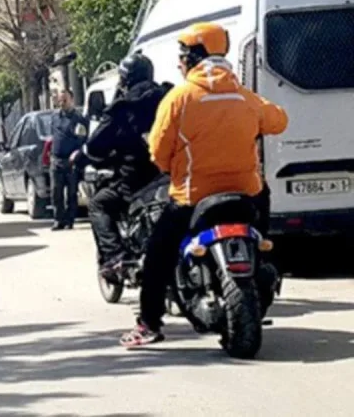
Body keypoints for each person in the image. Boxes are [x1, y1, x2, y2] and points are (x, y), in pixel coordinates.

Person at [120, 23, 288, 347]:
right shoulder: (244, 96)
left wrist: (174, 168)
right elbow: (279, 120)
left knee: (157, 255)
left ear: (192, 58)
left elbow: (157, 151)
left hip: (192, 198)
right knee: (264, 233)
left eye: (182, 58)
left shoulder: (180, 98)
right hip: (246, 195)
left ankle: (149, 323)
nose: (180, 64)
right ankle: (260, 265)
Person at [87, 53, 172, 275]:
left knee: (98, 204)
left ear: (125, 79)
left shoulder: (122, 108)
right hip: (172, 175)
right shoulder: (169, 96)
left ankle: (115, 257)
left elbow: (96, 145)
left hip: (134, 180)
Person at [49, 89, 89, 231]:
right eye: (60, 100)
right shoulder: (55, 117)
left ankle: (69, 221)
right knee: (56, 192)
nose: (62, 103)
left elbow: (84, 139)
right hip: (56, 160)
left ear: (72, 100)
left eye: (65, 100)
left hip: (71, 161)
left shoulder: (79, 118)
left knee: (71, 194)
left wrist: (77, 153)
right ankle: (58, 220)